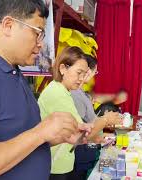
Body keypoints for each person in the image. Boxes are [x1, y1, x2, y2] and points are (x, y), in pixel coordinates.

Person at [0, 1, 90, 179]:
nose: (40, 44)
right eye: (37, 33)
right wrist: (40, 132)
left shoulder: (13, 73)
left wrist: (56, 134)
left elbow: (16, 141)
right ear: (8, 25)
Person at [38, 47, 121, 180]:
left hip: (63, 160)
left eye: (84, 74)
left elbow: (79, 130)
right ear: (63, 69)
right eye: (79, 73)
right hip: (55, 165)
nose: (82, 79)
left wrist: (94, 136)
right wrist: (106, 120)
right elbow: (78, 134)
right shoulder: (57, 93)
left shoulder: (63, 91)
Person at [71, 55, 122, 180]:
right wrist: (105, 120)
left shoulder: (82, 93)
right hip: (79, 155)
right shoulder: (76, 94)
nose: (94, 75)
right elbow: (81, 130)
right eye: (95, 71)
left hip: (86, 151)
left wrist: (100, 137)